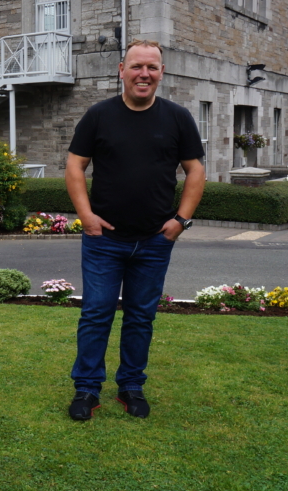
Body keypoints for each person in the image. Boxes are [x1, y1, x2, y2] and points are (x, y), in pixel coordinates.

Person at [65, 40, 205, 421]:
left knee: (141, 317)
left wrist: (180, 221)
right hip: (103, 240)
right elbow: (75, 166)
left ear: (161, 72)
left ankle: (131, 387)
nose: (145, 74)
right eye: (137, 67)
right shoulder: (98, 115)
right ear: (121, 69)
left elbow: (195, 171)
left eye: (153, 68)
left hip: (154, 241)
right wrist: (86, 216)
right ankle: (87, 390)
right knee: (96, 314)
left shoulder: (177, 118)